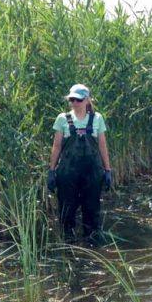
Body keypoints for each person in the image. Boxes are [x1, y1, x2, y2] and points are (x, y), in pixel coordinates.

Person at [47, 84, 113, 242]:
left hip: (92, 173)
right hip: (68, 174)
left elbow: (102, 145)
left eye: (78, 99)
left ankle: (92, 244)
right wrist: (51, 171)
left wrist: (107, 170)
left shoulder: (97, 118)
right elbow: (56, 147)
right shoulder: (62, 119)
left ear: (87, 100)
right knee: (67, 210)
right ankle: (68, 246)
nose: (74, 103)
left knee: (91, 210)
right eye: (71, 99)